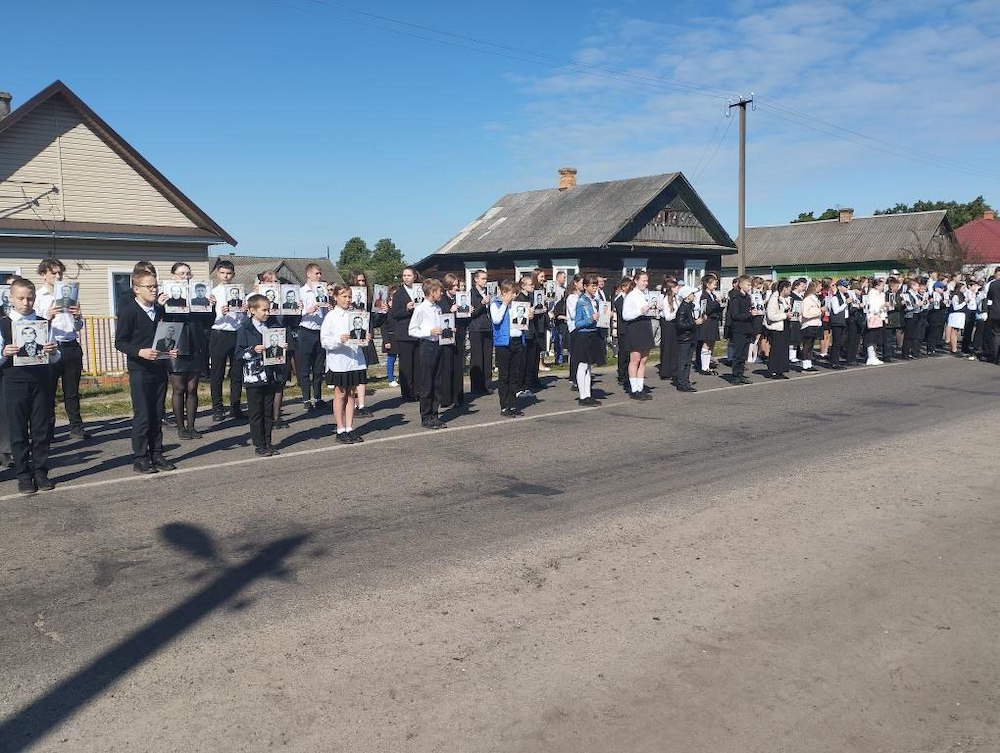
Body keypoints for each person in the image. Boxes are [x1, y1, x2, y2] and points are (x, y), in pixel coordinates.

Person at [1, 277, 61, 494]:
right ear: (12, 298)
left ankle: (41, 472)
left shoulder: (43, 322)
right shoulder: (3, 324)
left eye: (30, 298)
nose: (26, 303)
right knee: (18, 431)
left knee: (40, 429)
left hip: (40, 381)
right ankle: (23, 474)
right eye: (21, 298)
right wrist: (4, 353)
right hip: (14, 382)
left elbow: (56, 357)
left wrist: (53, 351)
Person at [115, 271, 179, 474]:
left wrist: (170, 349)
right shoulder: (129, 311)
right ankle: (140, 457)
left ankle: (156, 453)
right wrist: (139, 351)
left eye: (155, 286)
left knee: (157, 413)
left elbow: (164, 336)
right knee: (143, 414)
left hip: (159, 367)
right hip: (140, 369)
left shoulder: (160, 310)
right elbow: (120, 342)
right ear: (136, 289)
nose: (154, 290)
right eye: (149, 287)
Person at [34, 258, 89, 440]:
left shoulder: (69, 294)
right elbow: (34, 326)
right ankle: (48, 430)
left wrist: (78, 316)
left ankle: (76, 427)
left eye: (60, 273)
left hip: (71, 345)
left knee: (72, 391)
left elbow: (78, 326)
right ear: (44, 274)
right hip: (51, 346)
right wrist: (47, 316)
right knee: (48, 392)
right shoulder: (38, 297)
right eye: (54, 273)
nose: (58, 276)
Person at [321, 284, 370, 443]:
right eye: (344, 296)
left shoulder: (355, 315)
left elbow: (360, 336)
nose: (348, 300)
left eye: (349, 297)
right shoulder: (331, 316)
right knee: (340, 394)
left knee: (351, 394)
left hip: (354, 360)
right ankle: (340, 429)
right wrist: (338, 340)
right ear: (335, 297)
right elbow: (324, 341)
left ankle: (349, 427)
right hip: (339, 361)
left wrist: (365, 338)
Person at [236, 294, 282, 457]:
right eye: (263, 310)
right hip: (253, 376)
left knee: (268, 410)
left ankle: (268, 441)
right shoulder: (245, 329)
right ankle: (259, 443)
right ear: (252, 310)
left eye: (268, 309)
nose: (267, 313)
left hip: (269, 374)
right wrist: (252, 350)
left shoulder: (271, 326)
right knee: (256, 411)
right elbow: (238, 354)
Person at [209, 260, 246, 422]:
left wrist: (245, 311)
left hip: (236, 333)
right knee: (217, 373)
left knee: (237, 373)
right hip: (219, 333)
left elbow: (243, 318)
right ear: (217, 274)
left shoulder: (239, 291)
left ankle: (235, 407)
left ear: (233, 275)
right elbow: (208, 317)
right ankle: (217, 408)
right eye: (223, 273)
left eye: (229, 273)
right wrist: (220, 313)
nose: (225, 276)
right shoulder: (212, 293)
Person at [409, 278, 448, 429]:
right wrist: (428, 332)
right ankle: (426, 416)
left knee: (437, 381)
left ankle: (434, 413)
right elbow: (412, 330)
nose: (441, 294)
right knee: (427, 382)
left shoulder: (437, 308)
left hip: (438, 344)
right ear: (432, 292)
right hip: (427, 345)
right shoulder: (421, 309)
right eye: (439, 291)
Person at [297, 262, 329, 412]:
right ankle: (306, 398)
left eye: (320, 273)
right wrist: (307, 310)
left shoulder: (322, 291)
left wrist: (328, 309)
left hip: (320, 331)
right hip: (306, 331)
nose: (319, 276)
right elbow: (294, 314)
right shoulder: (301, 292)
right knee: (305, 367)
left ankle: (318, 397)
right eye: (316, 273)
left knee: (318, 367)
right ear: (308, 274)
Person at [491, 279, 525, 417]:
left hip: (517, 341)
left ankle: (513, 404)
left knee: (514, 376)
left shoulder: (516, 305)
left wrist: (527, 316)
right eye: (512, 293)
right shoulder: (496, 304)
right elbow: (496, 320)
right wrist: (504, 304)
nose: (514, 296)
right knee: (504, 376)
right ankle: (504, 406)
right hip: (504, 343)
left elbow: (521, 322)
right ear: (504, 293)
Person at [389, 266, 421, 402]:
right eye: (404, 276)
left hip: (418, 331)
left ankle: (418, 390)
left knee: (418, 363)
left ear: (414, 276)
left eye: (409, 275)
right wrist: (406, 309)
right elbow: (395, 314)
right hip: (404, 332)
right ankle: (407, 392)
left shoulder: (419, 290)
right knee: (406, 364)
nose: (406, 278)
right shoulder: (399, 293)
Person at [621, 270, 654, 401]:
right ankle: (634, 389)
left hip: (645, 325)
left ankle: (640, 388)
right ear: (636, 281)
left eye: (646, 281)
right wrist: (640, 311)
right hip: (635, 327)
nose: (646, 283)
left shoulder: (645, 295)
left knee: (644, 359)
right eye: (643, 280)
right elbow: (626, 315)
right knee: (635, 359)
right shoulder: (631, 296)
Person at [572, 275, 603, 406]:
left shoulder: (595, 301)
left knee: (589, 366)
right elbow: (577, 323)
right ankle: (582, 396)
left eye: (596, 285)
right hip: (584, 335)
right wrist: (590, 319)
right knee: (583, 365)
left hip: (593, 334)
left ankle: (588, 394)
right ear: (585, 287)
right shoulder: (581, 301)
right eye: (592, 285)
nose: (595, 288)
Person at [467, 270, 494, 395]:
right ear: (476, 279)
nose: (485, 281)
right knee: (477, 357)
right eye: (483, 279)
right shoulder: (471, 294)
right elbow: (471, 313)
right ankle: (476, 386)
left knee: (487, 357)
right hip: (476, 328)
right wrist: (482, 304)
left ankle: (487, 384)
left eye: (486, 279)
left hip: (487, 327)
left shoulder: (488, 292)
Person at [674, 285, 704, 392]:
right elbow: (680, 324)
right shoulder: (682, 308)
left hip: (690, 337)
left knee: (688, 361)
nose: (694, 295)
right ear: (687, 296)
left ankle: (686, 381)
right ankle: (681, 383)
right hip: (684, 338)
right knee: (683, 361)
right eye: (692, 294)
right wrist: (694, 323)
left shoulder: (690, 307)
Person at [764, 279, 793, 379]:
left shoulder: (785, 299)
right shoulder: (774, 299)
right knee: (776, 349)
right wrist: (785, 315)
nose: (790, 291)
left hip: (784, 326)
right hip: (776, 328)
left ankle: (780, 369)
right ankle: (773, 370)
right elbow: (771, 315)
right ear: (784, 289)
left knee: (783, 349)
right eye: (789, 289)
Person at [695, 273, 723, 375]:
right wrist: (716, 302)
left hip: (714, 320)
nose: (715, 286)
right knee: (706, 343)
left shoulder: (713, 295)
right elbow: (706, 309)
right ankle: (704, 367)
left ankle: (707, 365)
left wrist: (720, 305)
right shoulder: (704, 295)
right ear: (707, 284)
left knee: (711, 343)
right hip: (708, 322)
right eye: (713, 284)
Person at [728, 275, 754, 384]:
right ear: (741, 285)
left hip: (747, 328)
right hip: (738, 328)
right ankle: (735, 376)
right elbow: (735, 315)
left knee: (744, 354)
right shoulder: (735, 297)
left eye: (750, 285)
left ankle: (741, 374)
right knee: (738, 354)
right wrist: (749, 314)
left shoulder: (748, 297)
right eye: (748, 285)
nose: (750, 287)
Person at [798, 281, 825, 372]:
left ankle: (809, 363)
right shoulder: (807, 299)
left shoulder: (815, 298)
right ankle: (805, 364)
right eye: (819, 286)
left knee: (811, 345)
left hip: (816, 324)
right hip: (808, 325)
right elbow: (806, 313)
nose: (820, 288)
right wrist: (819, 311)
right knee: (807, 345)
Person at [658, 277, 679, 382]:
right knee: (667, 347)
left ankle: (674, 370)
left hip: (674, 325)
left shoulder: (675, 299)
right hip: (668, 325)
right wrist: (678, 313)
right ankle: (665, 371)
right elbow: (668, 316)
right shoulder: (666, 300)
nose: (677, 288)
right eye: (675, 287)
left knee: (674, 347)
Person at [826, 279, 850, 369]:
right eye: (844, 286)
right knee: (836, 342)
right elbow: (836, 311)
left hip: (843, 321)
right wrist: (845, 304)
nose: (846, 288)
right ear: (839, 287)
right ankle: (834, 362)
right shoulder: (835, 298)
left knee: (841, 342)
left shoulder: (844, 296)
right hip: (837, 322)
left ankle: (837, 360)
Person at [863, 278, 888, 366]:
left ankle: (874, 355)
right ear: (876, 286)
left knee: (877, 338)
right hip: (873, 317)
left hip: (881, 317)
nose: (883, 287)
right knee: (871, 338)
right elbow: (872, 307)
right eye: (882, 286)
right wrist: (882, 306)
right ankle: (871, 356)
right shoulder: (872, 294)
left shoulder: (881, 294)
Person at [947, 281, 967, 355]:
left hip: (960, 315)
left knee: (956, 332)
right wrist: (964, 302)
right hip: (956, 315)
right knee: (954, 331)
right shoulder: (955, 296)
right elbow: (956, 307)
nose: (965, 289)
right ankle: (953, 349)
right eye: (963, 288)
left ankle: (954, 348)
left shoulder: (962, 295)